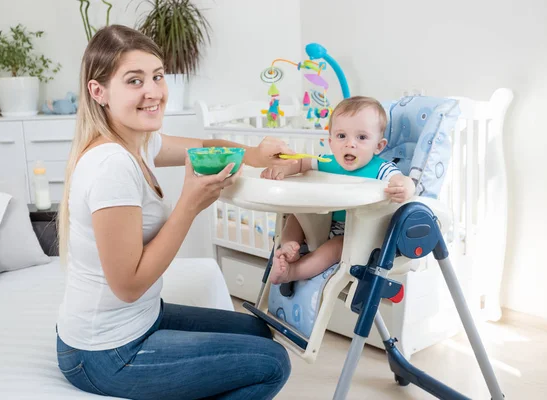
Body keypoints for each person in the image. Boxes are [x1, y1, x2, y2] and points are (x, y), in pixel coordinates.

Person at [55, 25, 297, 400]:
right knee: (273, 362)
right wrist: (189, 205)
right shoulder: (110, 165)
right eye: (135, 81)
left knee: (258, 332)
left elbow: (205, 145)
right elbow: (129, 284)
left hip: (144, 319)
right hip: (106, 352)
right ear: (98, 91)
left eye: (157, 76)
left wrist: (253, 154)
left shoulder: (140, 142)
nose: (153, 92)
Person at [261, 96, 416, 285]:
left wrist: (405, 187)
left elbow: (402, 180)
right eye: (342, 136)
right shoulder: (328, 162)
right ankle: (287, 249)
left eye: (362, 137)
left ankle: (293, 271)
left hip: (355, 234)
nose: (350, 144)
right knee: (297, 215)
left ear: (379, 146)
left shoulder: (381, 169)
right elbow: (301, 163)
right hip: (323, 224)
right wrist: (283, 169)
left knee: (336, 246)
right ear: (331, 141)